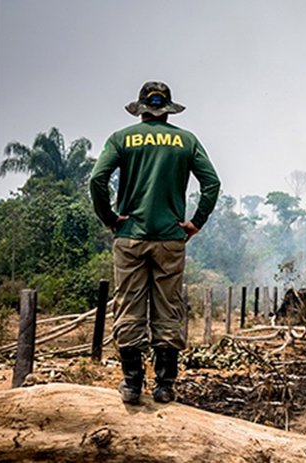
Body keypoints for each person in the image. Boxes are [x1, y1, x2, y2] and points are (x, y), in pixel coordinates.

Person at [89, 81, 220, 404]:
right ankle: (165, 386)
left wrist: (109, 218)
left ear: (142, 108)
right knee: (168, 306)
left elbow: (97, 179)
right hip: (170, 239)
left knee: (129, 306)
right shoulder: (186, 140)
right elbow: (212, 183)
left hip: (130, 237)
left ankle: (132, 384)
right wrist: (195, 223)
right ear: (167, 109)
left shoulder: (121, 138)